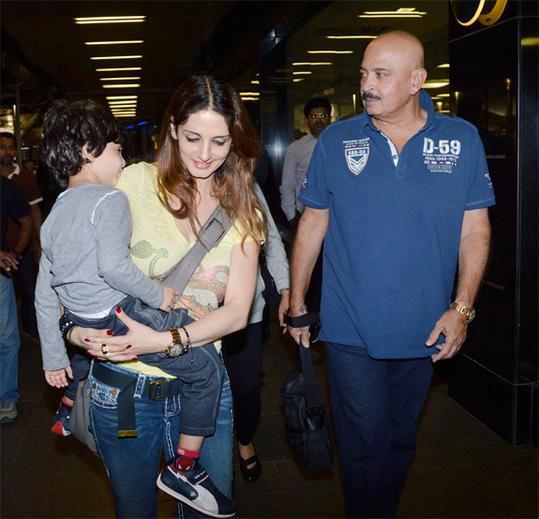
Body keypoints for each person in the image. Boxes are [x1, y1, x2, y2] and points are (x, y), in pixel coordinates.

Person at [287, 31, 494, 518]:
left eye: (380, 74)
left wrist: (461, 308)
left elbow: (475, 228)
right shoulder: (338, 140)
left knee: (400, 441)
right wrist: (297, 299)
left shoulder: (460, 139)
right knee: (364, 445)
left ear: (417, 80)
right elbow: (314, 221)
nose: (367, 85)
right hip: (350, 328)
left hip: (426, 328)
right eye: (364, 73)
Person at [52, 74, 264, 519]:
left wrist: (164, 341)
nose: (205, 155)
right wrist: (71, 331)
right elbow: (67, 259)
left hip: (203, 387)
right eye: (193, 138)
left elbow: (238, 312)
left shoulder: (243, 207)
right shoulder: (130, 182)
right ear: (172, 129)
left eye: (220, 141)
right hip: (123, 390)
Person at [223, 182, 289, 481]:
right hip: (193, 312)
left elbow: (271, 240)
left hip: (247, 311)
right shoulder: (169, 182)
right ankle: (210, 452)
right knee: (204, 389)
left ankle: (244, 439)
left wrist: (286, 287)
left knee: (247, 386)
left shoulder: (245, 184)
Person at [0, 132, 42, 340]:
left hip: (22, 247)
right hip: (2, 247)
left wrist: (39, 246)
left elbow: (34, 213)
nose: (7, 152)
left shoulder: (26, 177)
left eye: (11, 147)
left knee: (29, 290)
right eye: (3, 147)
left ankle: (31, 330)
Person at [0, 176, 32, 423]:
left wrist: (17, 253)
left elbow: (26, 220)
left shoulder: (5, 186)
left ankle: (6, 399)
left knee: (8, 339)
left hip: (1, 273)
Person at [279, 97, 331, 227]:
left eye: (322, 115)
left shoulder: (340, 145)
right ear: (307, 121)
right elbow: (287, 185)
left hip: (336, 214)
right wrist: (291, 216)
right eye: (313, 116)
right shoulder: (295, 148)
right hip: (306, 214)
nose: (318, 120)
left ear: (329, 118)